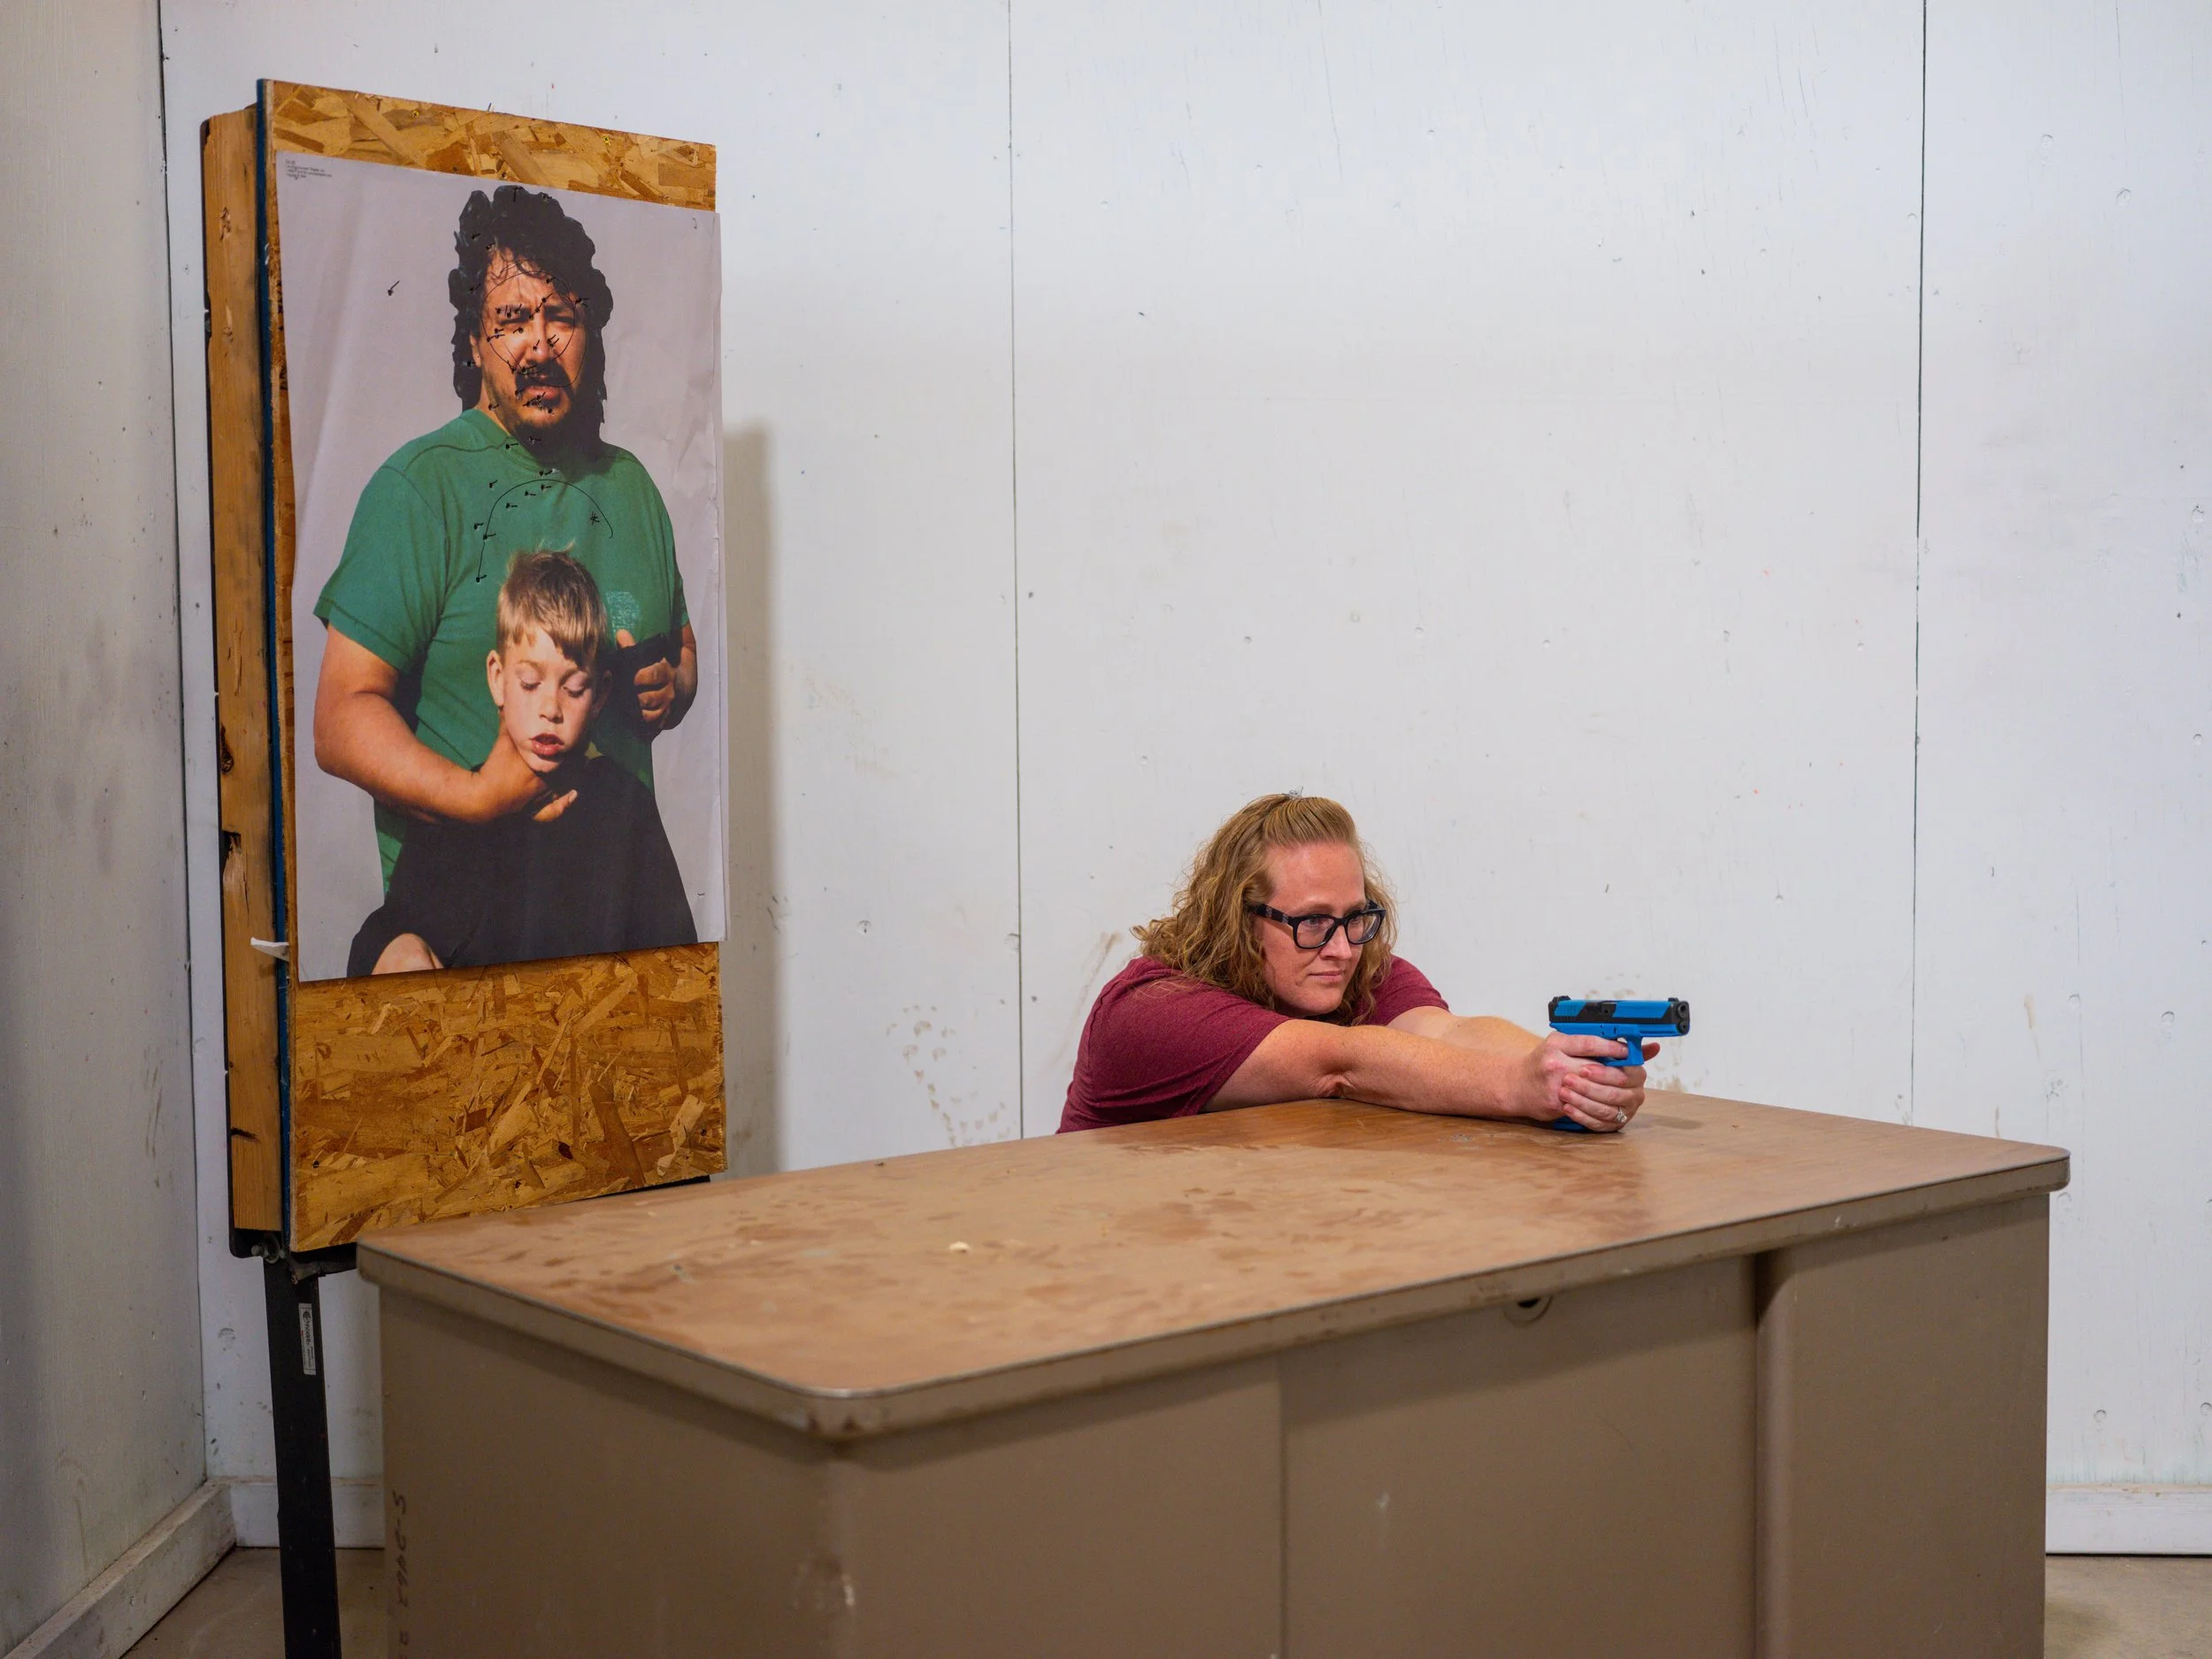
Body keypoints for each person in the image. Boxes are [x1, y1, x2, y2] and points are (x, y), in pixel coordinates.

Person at [311, 182, 698, 895]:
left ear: (589, 334)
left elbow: (681, 646)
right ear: (474, 343)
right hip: (469, 917)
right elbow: (340, 717)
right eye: (513, 320)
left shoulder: (633, 488)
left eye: (561, 317)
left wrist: (671, 686)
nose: (540, 344)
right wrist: (475, 799)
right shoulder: (419, 488)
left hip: (620, 914)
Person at [1058, 794, 1652, 1133]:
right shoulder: (1151, 1011)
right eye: (1312, 922)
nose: (1342, 949)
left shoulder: (1351, 970)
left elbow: (1448, 1034)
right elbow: (1340, 1063)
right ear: (1238, 919)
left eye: (1354, 917)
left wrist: (1572, 1075)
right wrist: (1521, 1087)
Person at [348, 552, 696, 976]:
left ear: (601, 694)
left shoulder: (626, 808)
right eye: (530, 683)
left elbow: (679, 966)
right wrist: (397, 948)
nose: (550, 708)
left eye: (574, 688)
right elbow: (383, 936)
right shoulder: (457, 811)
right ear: (498, 678)